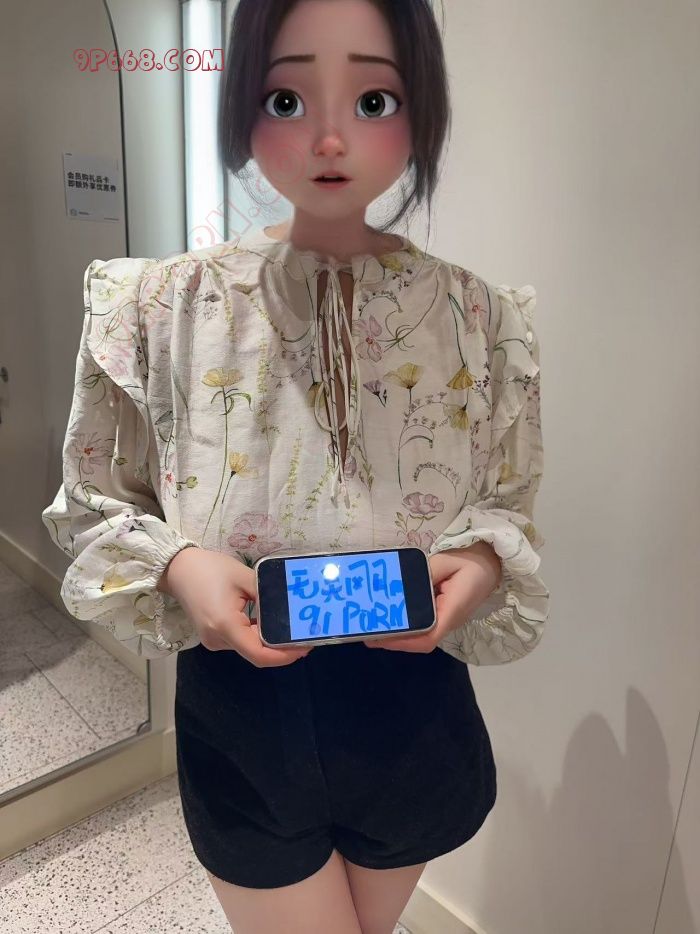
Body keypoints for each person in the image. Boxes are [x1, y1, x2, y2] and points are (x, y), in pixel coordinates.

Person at [41, 1, 550, 931]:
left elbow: (507, 500)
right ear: (243, 106)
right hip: (244, 711)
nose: (328, 136)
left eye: (373, 99)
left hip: (415, 707)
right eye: (286, 98)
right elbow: (92, 500)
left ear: (422, 111)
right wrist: (180, 566)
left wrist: (478, 564)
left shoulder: (482, 319)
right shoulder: (160, 306)